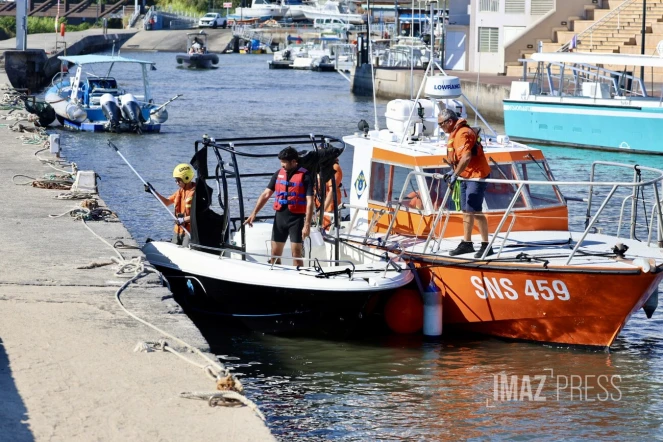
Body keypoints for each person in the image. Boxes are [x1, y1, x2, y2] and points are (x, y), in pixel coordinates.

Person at [244, 147, 314, 266]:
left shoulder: (305, 176)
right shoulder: (278, 174)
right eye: (281, 162)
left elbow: (310, 201)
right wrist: (253, 213)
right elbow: (266, 194)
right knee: (275, 254)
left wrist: (307, 225)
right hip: (280, 218)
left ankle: (298, 279)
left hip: (296, 219)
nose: (282, 165)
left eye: (284, 162)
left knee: (296, 254)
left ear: (293, 161)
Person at [438, 109, 493, 258]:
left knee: (475, 209)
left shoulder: (463, 134)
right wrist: (454, 172)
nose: (440, 127)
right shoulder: (454, 134)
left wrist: (455, 174)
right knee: (466, 210)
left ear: (449, 122)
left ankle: (486, 245)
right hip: (464, 175)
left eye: (441, 124)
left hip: (475, 175)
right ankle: (467, 243)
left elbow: (466, 156)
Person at [145, 163, 196, 247]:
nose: (176, 183)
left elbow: (197, 215)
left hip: (189, 231)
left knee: (186, 251)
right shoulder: (179, 192)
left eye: (178, 180)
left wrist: (183, 220)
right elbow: (166, 202)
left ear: (186, 178)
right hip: (178, 230)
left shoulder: (196, 193)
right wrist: (153, 192)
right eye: (175, 180)